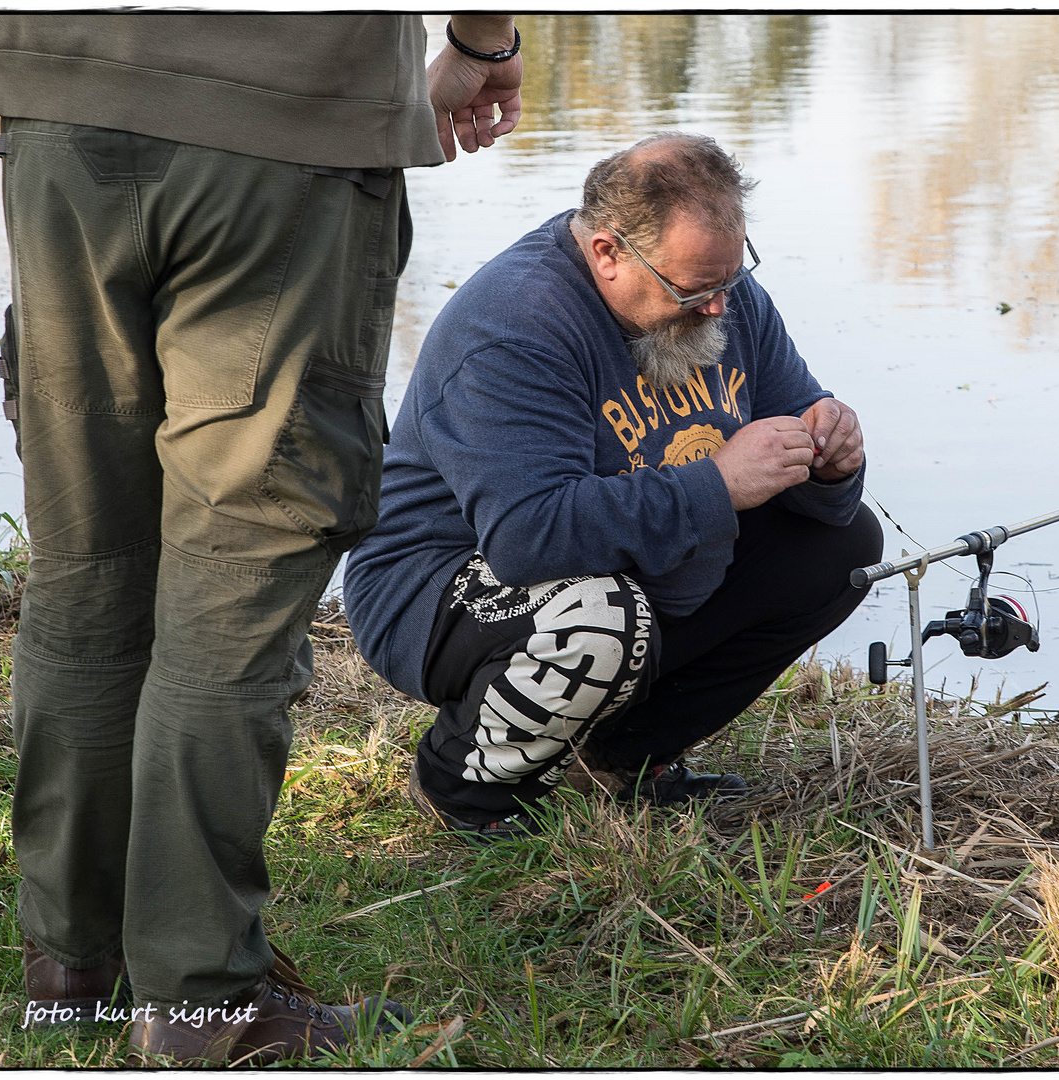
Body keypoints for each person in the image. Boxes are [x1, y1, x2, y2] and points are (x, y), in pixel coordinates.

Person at [0, 12, 523, 1064]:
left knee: (87, 564)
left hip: (56, 99)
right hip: (284, 121)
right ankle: (198, 1002)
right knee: (235, 580)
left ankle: (73, 969)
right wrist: (484, 42)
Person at [345, 132, 883, 843]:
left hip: (621, 575)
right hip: (442, 583)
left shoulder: (725, 294)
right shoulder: (516, 324)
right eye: (692, 290)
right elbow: (528, 537)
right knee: (601, 617)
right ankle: (462, 786)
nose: (720, 307)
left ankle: (621, 760)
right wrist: (718, 484)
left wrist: (832, 462)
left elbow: (797, 450)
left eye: (730, 279)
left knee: (843, 543)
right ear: (608, 253)